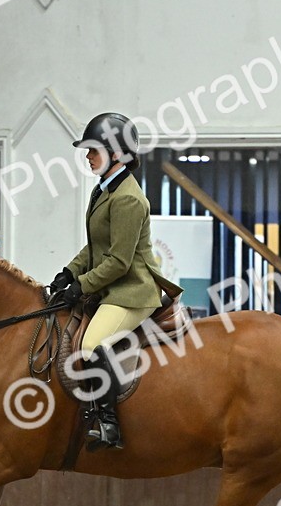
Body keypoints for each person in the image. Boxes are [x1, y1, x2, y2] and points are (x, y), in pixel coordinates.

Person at [48, 112, 182, 451]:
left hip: (131, 292)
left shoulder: (128, 198)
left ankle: (108, 425)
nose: (88, 156)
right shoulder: (104, 190)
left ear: (117, 154)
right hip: (110, 287)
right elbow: (95, 247)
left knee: (90, 344)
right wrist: (69, 272)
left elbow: (119, 262)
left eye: (93, 150)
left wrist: (81, 287)